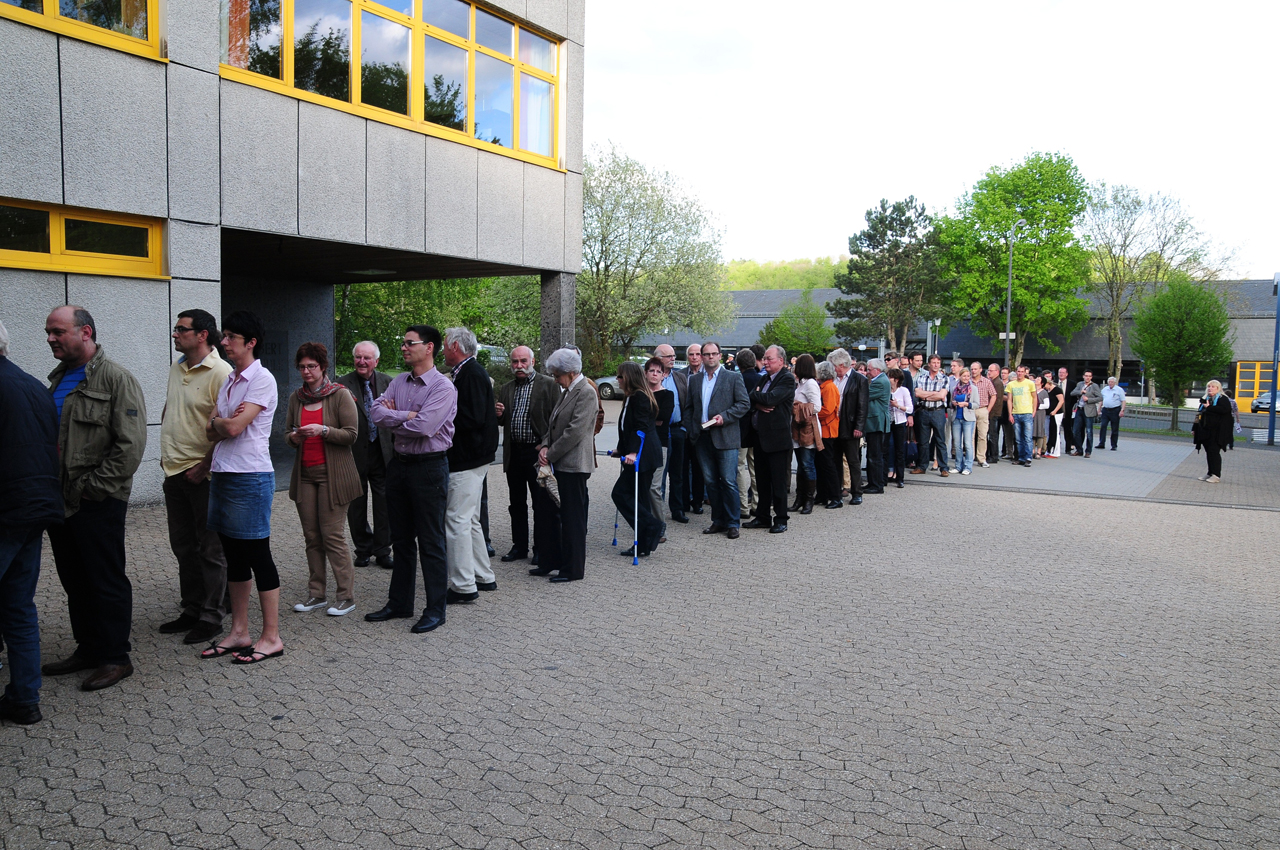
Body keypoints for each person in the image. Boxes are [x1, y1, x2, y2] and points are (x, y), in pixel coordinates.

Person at [41, 306, 147, 691]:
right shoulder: (57, 379)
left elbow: (130, 446)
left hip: (97, 500)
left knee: (105, 579)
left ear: (85, 332)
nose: (50, 338)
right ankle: (88, 648)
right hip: (61, 499)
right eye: (49, 331)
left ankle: (115, 657)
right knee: (74, 578)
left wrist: (93, 488)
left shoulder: (116, 379)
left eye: (58, 331)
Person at [201, 311, 282, 665]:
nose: (223, 342)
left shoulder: (262, 379)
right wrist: (223, 423)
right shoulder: (230, 380)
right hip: (224, 472)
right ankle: (239, 631)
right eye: (225, 336)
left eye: (231, 337)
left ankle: (271, 637)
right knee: (233, 556)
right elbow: (210, 430)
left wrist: (221, 422)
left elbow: (231, 428)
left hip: (250, 477)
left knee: (257, 555)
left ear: (251, 342)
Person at [365, 325, 457, 634]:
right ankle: (400, 603)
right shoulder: (398, 382)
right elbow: (375, 413)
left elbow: (425, 427)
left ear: (429, 347)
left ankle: (435, 610)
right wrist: (407, 415)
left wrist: (397, 418)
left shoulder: (443, 387)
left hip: (429, 469)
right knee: (401, 540)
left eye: (409, 343)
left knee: (431, 541)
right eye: (403, 343)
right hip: (399, 466)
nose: (404, 347)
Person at [0, 320, 63, 723]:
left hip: (7, 510)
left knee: (17, 607)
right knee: (18, 607)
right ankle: (25, 699)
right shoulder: (35, 386)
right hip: (36, 508)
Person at [158, 309, 232, 645]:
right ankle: (192, 607)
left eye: (181, 329)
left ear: (202, 334)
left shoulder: (222, 372)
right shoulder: (177, 367)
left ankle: (212, 616)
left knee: (210, 549)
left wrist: (204, 465)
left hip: (203, 475)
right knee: (183, 546)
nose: (175, 334)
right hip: (174, 470)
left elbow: (225, 429)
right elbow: (171, 409)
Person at [285, 342, 361, 617]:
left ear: (323, 367)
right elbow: (287, 434)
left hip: (334, 477)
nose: (306, 371)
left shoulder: (340, 395)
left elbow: (351, 435)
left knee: (332, 536)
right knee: (312, 536)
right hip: (305, 475)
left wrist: (324, 430)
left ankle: (346, 597)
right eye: (302, 367)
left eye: (311, 366)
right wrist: (294, 437)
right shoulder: (296, 398)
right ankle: (316, 594)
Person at [441, 328, 499, 605]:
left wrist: (439, 418)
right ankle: (483, 575)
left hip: (468, 458)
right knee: (470, 519)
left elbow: (472, 417)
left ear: (455, 346)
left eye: (444, 345)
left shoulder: (471, 373)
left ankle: (463, 585)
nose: (442, 350)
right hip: (475, 457)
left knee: (457, 520)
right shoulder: (469, 372)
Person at [536, 348, 599, 582]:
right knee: (550, 515)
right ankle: (550, 561)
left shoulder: (586, 392)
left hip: (574, 465)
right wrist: (544, 446)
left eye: (557, 375)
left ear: (571, 373)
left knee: (572, 519)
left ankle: (572, 569)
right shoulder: (568, 391)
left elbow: (574, 431)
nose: (555, 380)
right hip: (559, 462)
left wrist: (550, 454)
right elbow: (553, 424)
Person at [494, 345, 560, 565]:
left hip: (537, 452)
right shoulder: (507, 388)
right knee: (516, 503)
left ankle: (541, 548)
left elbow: (556, 421)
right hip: (514, 452)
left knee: (540, 504)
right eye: (515, 362)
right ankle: (519, 546)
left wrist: (547, 446)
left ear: (533, 361)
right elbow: (503, 421)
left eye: (523, 361)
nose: (519, 366)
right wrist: (499, 415)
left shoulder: (548, 385)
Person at [337, 341, 395, 569]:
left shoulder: (389, 383)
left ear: (376, 361)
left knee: (384, 504)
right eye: (358, 357)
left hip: (382, 452)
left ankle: (383, 549)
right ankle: (362, 548)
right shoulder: (341, 385)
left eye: (367, 358)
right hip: (353, 454)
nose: (361, 361)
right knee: (356, 505)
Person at [684, 341, 750, 538]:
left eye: (714, 354)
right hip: (702, 437)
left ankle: (733, 523)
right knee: (711, 482)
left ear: (720, 356)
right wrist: (692, 428)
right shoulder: (695, 380)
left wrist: (725, 417)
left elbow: (744, 403)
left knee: (728, 481)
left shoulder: (733, 377)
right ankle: (718, 520)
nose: (710, 357)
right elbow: (689, 408)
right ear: (702, 357)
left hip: (725, 436)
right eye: (706, 354)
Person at [611, 362, 664, 558]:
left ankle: (652, 525)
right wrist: (621, 449)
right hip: (638, 454)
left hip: (643, 455)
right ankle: (643, 543)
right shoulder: (630, 397)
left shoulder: (640, 397)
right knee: (639, 498)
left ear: (629, 378)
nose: (617, 380)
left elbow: (641, 427)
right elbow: (626, 427)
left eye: (620, 376)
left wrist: (633, 452)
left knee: (620, 493)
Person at [743, 345, 796, 533]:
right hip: (760, 438)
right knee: (762, 481)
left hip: (777, 440)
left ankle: (781, 519)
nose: (765, 362)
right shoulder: (764, 378)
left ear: (781, 360)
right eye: (764, 358)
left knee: (778, 483)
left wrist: (759, 398)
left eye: (769, 359)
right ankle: (762, 517)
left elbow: (771, 399)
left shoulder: (787, 379)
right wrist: (758, 402)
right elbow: (750, 397)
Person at [654, 344, 689, 525]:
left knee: (678, 473)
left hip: (677, 430)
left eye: (674, 355)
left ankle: (677, 509)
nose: (673, 359)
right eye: (668, 356)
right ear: (658, 358)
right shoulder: (652, 378)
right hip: (658, 432)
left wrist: (684, 427)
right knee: (659, 474)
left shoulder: (680, 377)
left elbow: (687, 403)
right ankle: (657, 512)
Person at [829, 349, 868, 506]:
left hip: (850, 425)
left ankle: (857, 492)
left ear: (840, 365)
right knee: (835, 460)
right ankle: (837, 491)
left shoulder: (859, 379)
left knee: (853, 460)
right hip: (834, 425)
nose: (832, 368)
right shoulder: (833, 379)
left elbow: (863, 405)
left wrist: (859, 426)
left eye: (833, 365)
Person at [643, 357, 675, 543]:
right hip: (640, 445)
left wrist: (646, 419)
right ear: (645, 373)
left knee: (654, 487)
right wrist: (651, 420)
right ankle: (646, 524)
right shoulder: (640, 394)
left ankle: (660, 528)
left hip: (659, 444)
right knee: (642, 486)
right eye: (651, 371)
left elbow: (664, 417)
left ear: (663, 375)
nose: (655, 374)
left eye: (658, 372)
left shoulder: (667, 395)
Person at [789, 354, 822, 515]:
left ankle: (809, 500)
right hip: (798, 427)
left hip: (807, 428)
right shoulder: (801, 384)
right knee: (801, 466)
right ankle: (800, 499)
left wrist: (797, 407)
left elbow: (817, 407)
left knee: (807, 465)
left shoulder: (810, 384)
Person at [912, 355, 949, 476]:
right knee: (923, 441)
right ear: (929, 364)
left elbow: (941, 395)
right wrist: (934, 394)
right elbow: (918, 394)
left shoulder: (944, 378)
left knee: (940, 440)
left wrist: (926, 395)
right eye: (933, 362)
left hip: (938, 411)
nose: (936, 365)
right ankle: (922, 466)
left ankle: (944, 467)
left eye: (938, 362)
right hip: (923, 410)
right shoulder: (921, 377)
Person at [734, 349, 761, 517]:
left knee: (739, 467)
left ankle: (743, 506)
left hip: (741, 429)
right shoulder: (761, 380)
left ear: (739, 364)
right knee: (756, 468)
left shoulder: (737, 379)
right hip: (757, 429)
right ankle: (757, 504)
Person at [680, 343, 706, 516]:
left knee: (699, 468)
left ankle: (698, 501)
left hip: (702, 428)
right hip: (684, 426)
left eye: (698, 354)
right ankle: (684, 501)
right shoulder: (680, 375)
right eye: (691, 354)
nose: (695, 357)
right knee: (683, 467)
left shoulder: (708, 375)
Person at [815, 361, 842, 510]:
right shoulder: (825, 386)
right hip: (824, 429)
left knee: (828, 465)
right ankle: (823, 494)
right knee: (821, 464)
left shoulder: (829, 387)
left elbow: (827, 410)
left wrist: (812, 414)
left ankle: (835, 497)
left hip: (827, 430)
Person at [1194, 380, 1233, 483]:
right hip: (1205, 430)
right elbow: (1199, 414)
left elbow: (1224, 410)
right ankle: (1210, 472)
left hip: (1217, 431)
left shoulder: (1222, 399)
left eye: (1213, 387)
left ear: (1218, 388)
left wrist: (1210, 407)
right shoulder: (1205, 399)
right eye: (1209, 386)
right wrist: (1194, 428)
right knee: (1209, 452)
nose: (1210, 388)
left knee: (1214, 451)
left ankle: (1216, 475)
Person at [864, 359, 892, 493]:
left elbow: (865, 395)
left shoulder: (880, 382)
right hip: (875, 423)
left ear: (877, 370)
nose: (868, 372)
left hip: (877, 423)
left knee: (875, 456)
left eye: (869, 370)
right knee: (872, 455)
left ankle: (877, 485)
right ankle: (872, 483)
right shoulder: (879, 380)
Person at [1004, 364, 1037, 467]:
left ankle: (1028, 458)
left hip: (1027, 413)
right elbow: (1009, 400)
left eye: (1022, 372)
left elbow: (1035, 397)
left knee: (1027, 437)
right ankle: (1021, 457)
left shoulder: (1030, 383)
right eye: (1018, 371)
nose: (1020, 373)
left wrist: (1034, 411)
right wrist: (1010, 414)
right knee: (1018, 438)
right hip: (1016, 413)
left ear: (1025, 373)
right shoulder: (1011, 384)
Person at [886, 368, 913, 488]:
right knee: (887, 448)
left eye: (890, 377)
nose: (888, 379)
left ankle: (900, 477)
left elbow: (910, 408)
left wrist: (898, 406)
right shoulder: (886, 390)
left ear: (896, 380)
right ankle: (886, 474)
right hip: (888, 422)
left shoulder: (903, 391)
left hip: (899, 422)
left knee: (899, 450)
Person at [968, 362, 996, 468]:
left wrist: (988, 409)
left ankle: (981, 458)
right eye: (972, 369)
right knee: (970, 436)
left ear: (980, 370)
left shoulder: (987, 382)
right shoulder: (968, 381)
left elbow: (993, 395)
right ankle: (970, 458)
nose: (973, 371)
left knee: (982, 436)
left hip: (982, 409)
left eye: (975, 369)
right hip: (970, 409)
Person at [949, 367, 976, 474]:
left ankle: (968, 467)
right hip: (956, 417)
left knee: (967, 443)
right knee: (957, 444)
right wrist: (953, 404)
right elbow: (950, 402)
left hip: (968, 418)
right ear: (960, 376)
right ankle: (958, 465)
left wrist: (967, 404)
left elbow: (976, 404)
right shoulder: (954, 388)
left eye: (968, 376)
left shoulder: (973, 388)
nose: (966, 378)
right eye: (964, 376)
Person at [1070, 371, 1102, 457]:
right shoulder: (1080, 384)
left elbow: (1100, 397)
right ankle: (1079, 449)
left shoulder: (1094, 386)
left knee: (1089, 432)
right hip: (1079, 409)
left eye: (1089, 376)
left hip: (1089, 411)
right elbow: (1072, 393)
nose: (1087, 377)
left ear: (1091, 377)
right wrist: (1080, 392)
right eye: (1086, 376)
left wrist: (1089, 399)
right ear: (1083, 376)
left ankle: (1088, 451)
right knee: (1075, 431)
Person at [1097, 376, 1126, 450]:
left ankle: (1114, 445)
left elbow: (1123, 400)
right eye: (1109, 382)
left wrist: (1122, 410)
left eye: (1112, 382)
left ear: (1115, 382)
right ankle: (1101, 443)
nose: (1110, 383)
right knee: (1103, 426)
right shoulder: (1105, 389)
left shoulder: (1119, 390)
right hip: (1105, 410)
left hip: (1115, 410)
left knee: (1114, 428)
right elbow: (1101, 399)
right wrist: (1099, 409)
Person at [986, 363, 1006, 465]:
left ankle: (994, 456)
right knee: (991, 434)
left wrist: (990, 412)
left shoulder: (997, 383)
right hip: (993, 412)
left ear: (997, 372)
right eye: (988, 370)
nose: (989, 372)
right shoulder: (992, 381)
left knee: (993, 435)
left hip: (993, 413)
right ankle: (991, 454)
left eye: (991, 370)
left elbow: (997, 400)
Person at [1045, 373, 1065, 458]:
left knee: (1055, 432)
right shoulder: (1048, 391)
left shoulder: (1057, 390)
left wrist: (1055, 411)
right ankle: (1049, 450)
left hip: (1057, 414)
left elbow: (1061, 401)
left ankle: (1056, 452)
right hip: (1049, 414)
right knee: (1050, 432)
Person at [1058, 367, 1076, 456]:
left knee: (1067, 429)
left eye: (1063, 372)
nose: (1061, 374)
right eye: (1060, 372)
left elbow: (1074, 398)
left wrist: (1070, 407)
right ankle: (1055, 447)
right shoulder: (1055, 383)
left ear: (1067, 374)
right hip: (1056, 409)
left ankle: (1068, 448)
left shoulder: (1072, 384)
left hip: (1067, 410)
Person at [1032, 375, 1049, 459]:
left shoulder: (1044, 392)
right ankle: (1032, 450)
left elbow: (1047, 405)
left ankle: (1039, 450)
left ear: (1042, 383)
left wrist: (1037, 406)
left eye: (1038, 379)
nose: (1036, 380)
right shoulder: (1032, 390)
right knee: (1032, 431)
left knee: (1040, 431)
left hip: (1040, 413)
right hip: (1032, 412)